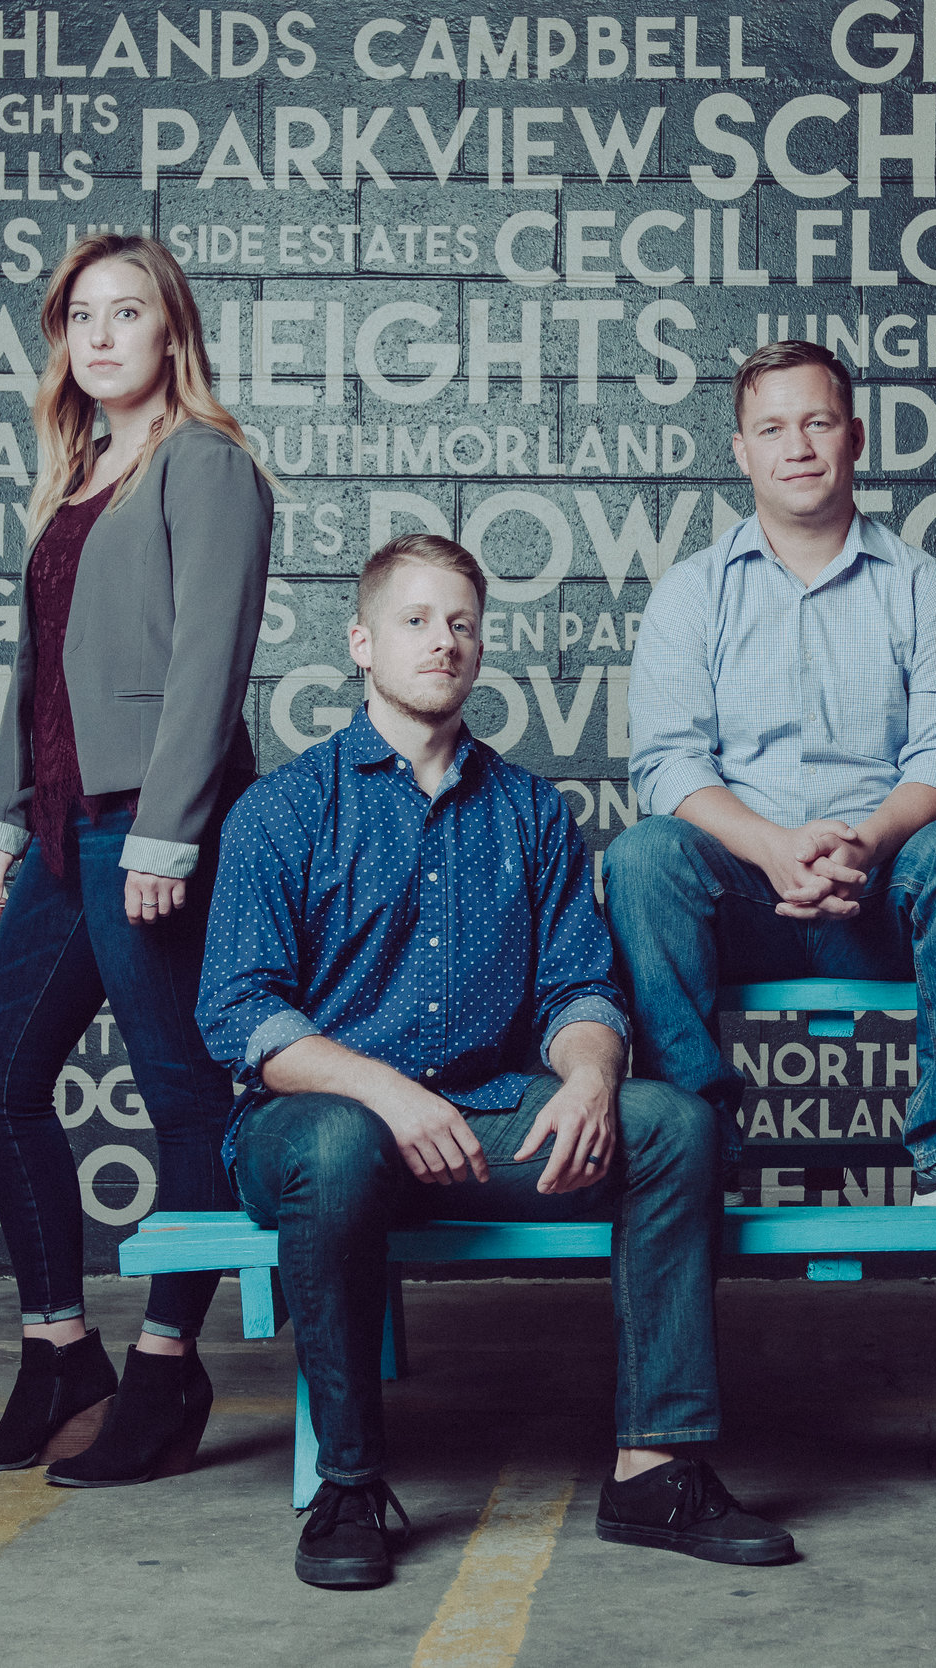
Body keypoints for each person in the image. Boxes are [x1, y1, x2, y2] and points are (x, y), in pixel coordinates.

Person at [199, 534, 791, 1589]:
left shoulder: (527, 812)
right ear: (362, 644)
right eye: (418, 621)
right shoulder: (283, 811)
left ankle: (656, 1468)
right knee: (338, 1144)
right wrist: (383, 1093)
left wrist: (592, 1076)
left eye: (463, 623)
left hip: (484, 1119)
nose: (444, 641)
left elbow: (579, 989)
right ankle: (349, 1486)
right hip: (317, 1134)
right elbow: (240, 1013)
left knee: (672, 1126)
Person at [0, 234, 274, 1487]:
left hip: (148, 823)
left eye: (124, 312)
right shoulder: (77, 471)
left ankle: (167, 1367)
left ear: (169, 332)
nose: (98, 334)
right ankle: (59, 1354)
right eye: (79, 315)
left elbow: (209, 662)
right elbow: (34, 669)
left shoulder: (207, 465)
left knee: (181, 1094)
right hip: (62, 827)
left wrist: (170, 831)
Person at [607, 340, 936, 1207]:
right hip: (742, 898)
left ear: (856, 437)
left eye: (817, 422)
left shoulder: (923, 585)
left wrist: (868, 843)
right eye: (772, 428)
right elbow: (667, 759)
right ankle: (695, 1147)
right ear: (742, 452)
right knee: (644, 855)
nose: (796, 446)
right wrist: (770, 848)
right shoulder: (693, 592)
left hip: (881, 895)